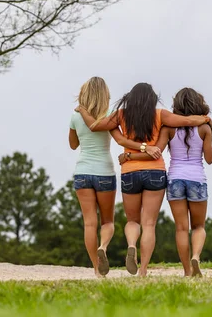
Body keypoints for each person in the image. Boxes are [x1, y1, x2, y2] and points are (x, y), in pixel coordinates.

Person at [77, 83, 208, 277]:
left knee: (132, 221)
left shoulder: (121, 115)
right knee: (149, 224)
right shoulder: (160, 115)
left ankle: (132, 245)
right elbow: (187, 121)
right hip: (155, 172)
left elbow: (95, 126)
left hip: (129, 171)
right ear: (152, 99)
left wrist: (81, 109)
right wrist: (206, 119)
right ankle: (143, 270)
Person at [69, 77, 161, 277]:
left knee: (89, 223)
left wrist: (81, 118)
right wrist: (144, 147)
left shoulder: (75, 117)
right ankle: (103, 245)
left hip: (82, 171)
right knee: (107, 222)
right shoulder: (110, 115)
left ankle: (96, 269)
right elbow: (119, 139)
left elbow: (73, 145)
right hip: (104, 171)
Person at [119, 88, 212, 277]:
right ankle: (195, 257)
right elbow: (210, 158)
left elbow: (155, 152)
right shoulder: (204, 128)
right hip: (197, 179)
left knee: (181, 228)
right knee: (198, 226)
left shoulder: (169, 128)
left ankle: (187, 271)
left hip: (174, 180)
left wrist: (129, 155)